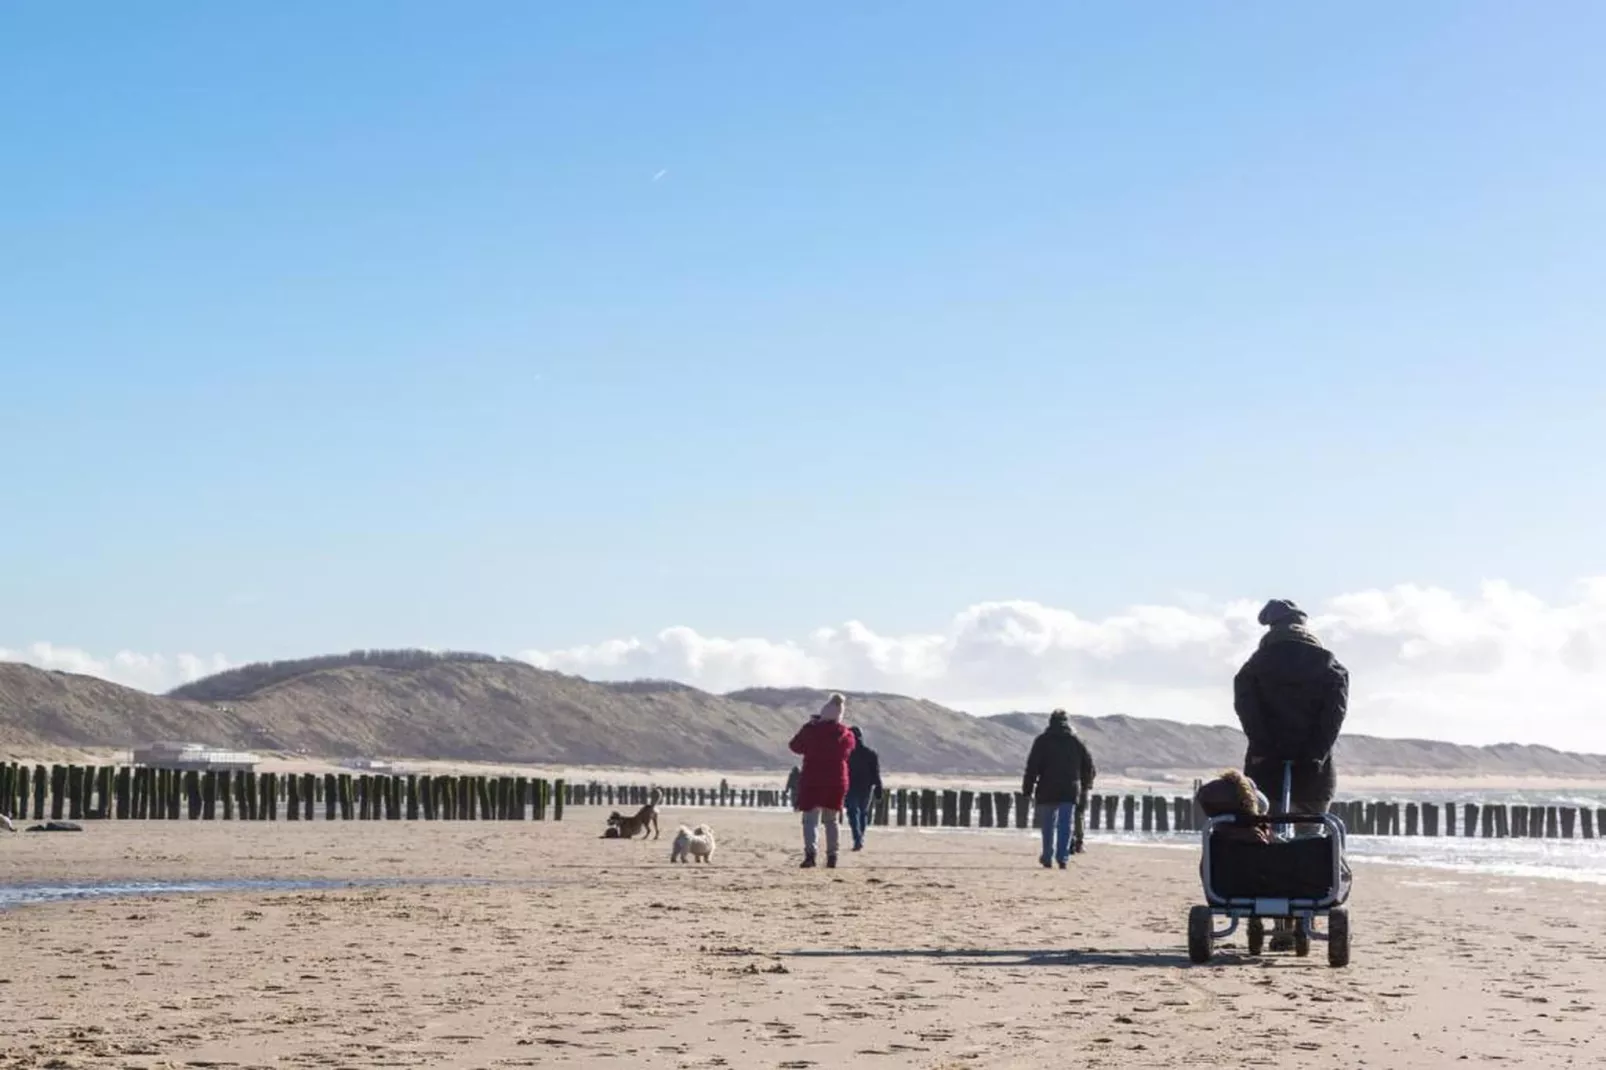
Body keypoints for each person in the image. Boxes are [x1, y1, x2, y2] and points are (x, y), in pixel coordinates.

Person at [1234, 598, 1349, 949]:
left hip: (1264, 766)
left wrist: (1264, 745)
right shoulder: (1329, 665)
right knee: (1310, 837)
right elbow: (1334, 715)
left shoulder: (1255, 665)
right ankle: (1303, 913)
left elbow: (1247, 709)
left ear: (1271, 628)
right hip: (1315, 771)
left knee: (1267, 838)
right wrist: (1315, 753)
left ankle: (1276, 916)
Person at [1021, 709, 1096, 869]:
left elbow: (1032, 767)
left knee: (1048, 825)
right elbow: (1088, 765)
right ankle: (1062, 857)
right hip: (1069, 788)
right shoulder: (1076, 741)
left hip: (1047, 788)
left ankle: (1047, 856)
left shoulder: (1042, 741)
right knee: (1065, 824)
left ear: (1050, 722)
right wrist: (1086, 785)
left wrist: (1027, 789)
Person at [789, 692, 857, 869]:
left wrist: (810, 725)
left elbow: (794, 746)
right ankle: (832, 856)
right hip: (836, 780)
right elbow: (849, 750)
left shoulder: (811, 731)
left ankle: (810, 854)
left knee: (810, 819)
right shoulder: (846, 735)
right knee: (831, 820)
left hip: (813, 779)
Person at [844, 725, 884, 852]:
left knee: (853, 812)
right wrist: (878, 787)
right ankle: (859, 838)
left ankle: (858, 838)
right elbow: (876, 773)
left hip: (852, 787)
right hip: (866, 787)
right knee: (862, 813)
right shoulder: (870, 754)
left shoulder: (846, 754)